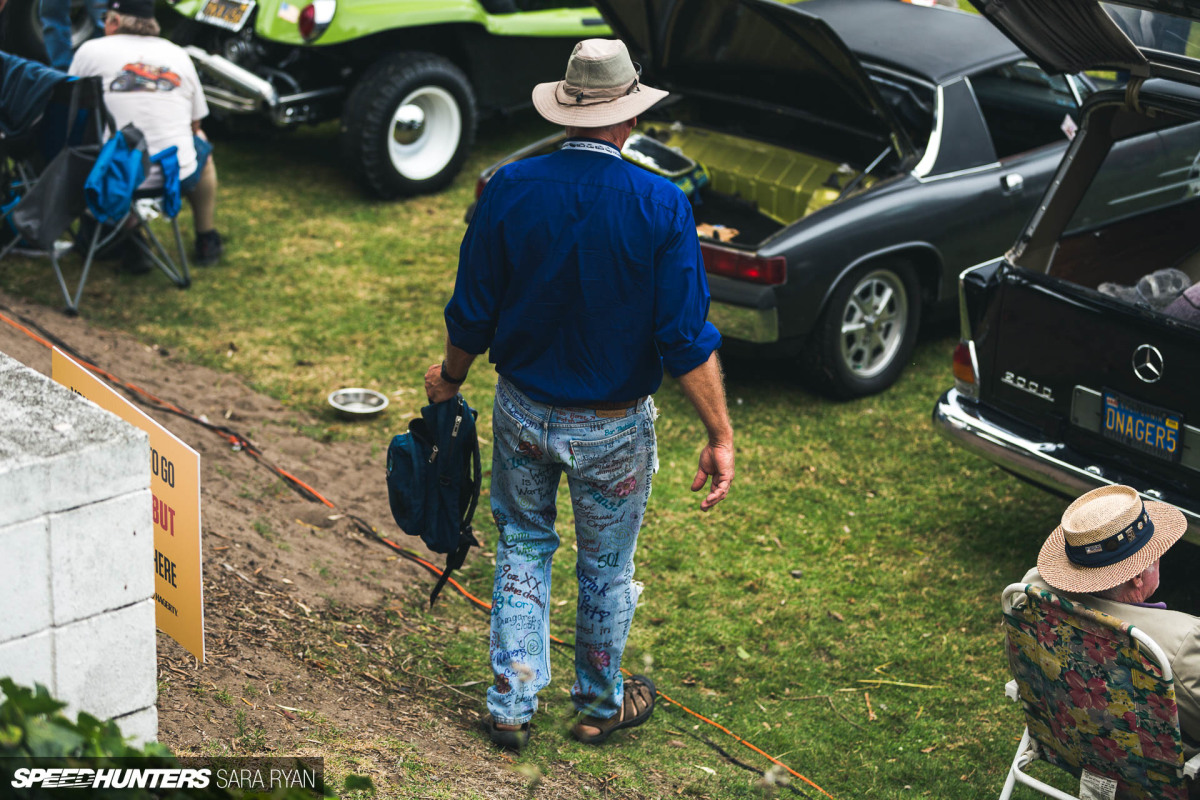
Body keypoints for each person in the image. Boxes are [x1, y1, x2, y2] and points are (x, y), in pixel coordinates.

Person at [422, 38, 735, 749]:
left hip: (523, 409)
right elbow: (685, 337)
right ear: (626, 120)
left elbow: (471, 309)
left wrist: (451, 378)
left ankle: (512, 701)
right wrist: (719, 435)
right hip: (612, 428)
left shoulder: (507, 185)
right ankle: (597, 705)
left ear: (566, 112)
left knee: (524, 545)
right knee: (605, 567)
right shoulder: (662, 204)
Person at [1021, 484, 1200, 757]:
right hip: (1150, 771)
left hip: (1072, 742)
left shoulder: (1030, 593)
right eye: (1157, 551)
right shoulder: (1179, 643)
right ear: (1136, 576)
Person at [68, 0, 222, 270]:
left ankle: (127, 232)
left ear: (114, 21)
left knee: (103, 145)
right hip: (170, 177)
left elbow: (70, 112)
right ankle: (206, 237)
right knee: (202, 145)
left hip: (107, 174)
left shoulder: (89, 50)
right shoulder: (178, 54)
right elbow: (195, 125)